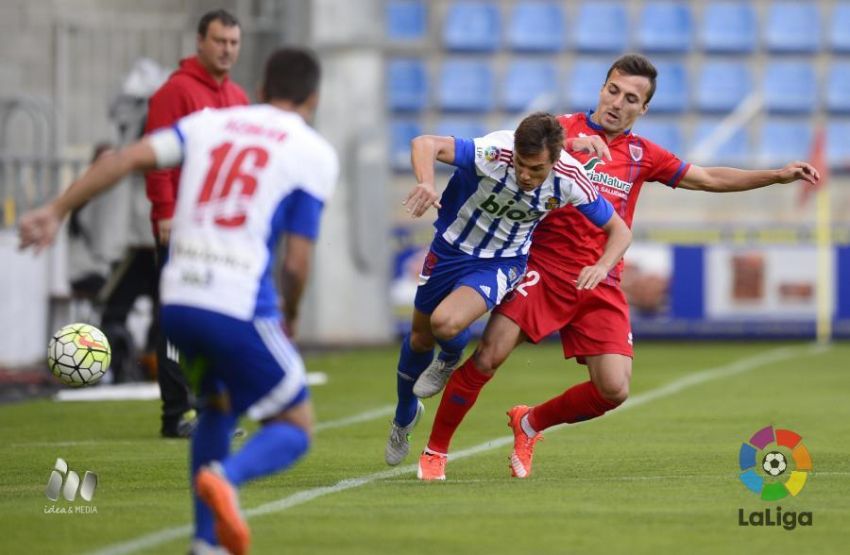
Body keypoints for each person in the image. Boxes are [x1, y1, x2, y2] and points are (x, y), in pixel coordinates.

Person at [414, 53, 821, 480]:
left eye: (630, 98)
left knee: (613, 389)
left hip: (600, 279)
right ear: (601, 87)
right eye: (613, 90)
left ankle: (530, 422)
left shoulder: (644, 154)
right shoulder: (559, 131)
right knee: (489, 356)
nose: (617, 103)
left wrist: (775, 174)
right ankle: (436, 450)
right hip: (542, 268)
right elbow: (502, 157)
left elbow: (708, 178)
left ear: (643, 109)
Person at [19, 47, 337, 555]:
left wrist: (57, 210)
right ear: (313, 98)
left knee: (216, 406)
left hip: (179, 300)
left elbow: (123, 159)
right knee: (294, 428)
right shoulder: (313, 151)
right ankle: (227, 478)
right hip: (236, 303)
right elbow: (296, 263)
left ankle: (204, 544)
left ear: (258, 89)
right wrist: (291, 315)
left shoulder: (212, 125)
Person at [385, 112, 632, 481]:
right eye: (520, 164)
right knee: (420, 337)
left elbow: (619, 230)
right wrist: (426, 183)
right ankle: (405, 412)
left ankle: (449, 362)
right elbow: (425, 143)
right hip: (451, 248)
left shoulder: (570, 178)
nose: (525, 175)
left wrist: (603, 265)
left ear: (554, 161)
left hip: (502, 261)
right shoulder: (494, 152)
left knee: (445, 323)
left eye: (535, 169)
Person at [145, 9, 249, 438]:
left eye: (233, 43)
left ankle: (210, 407)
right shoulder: (176, 92)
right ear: (200, 42)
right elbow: (155, 156)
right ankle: (177, 414)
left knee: (216, 319)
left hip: (222, 230)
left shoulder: (238, 98)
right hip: (183, 224)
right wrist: (164, 210)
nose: (227, 50)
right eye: (220, 41)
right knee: (178, 318)